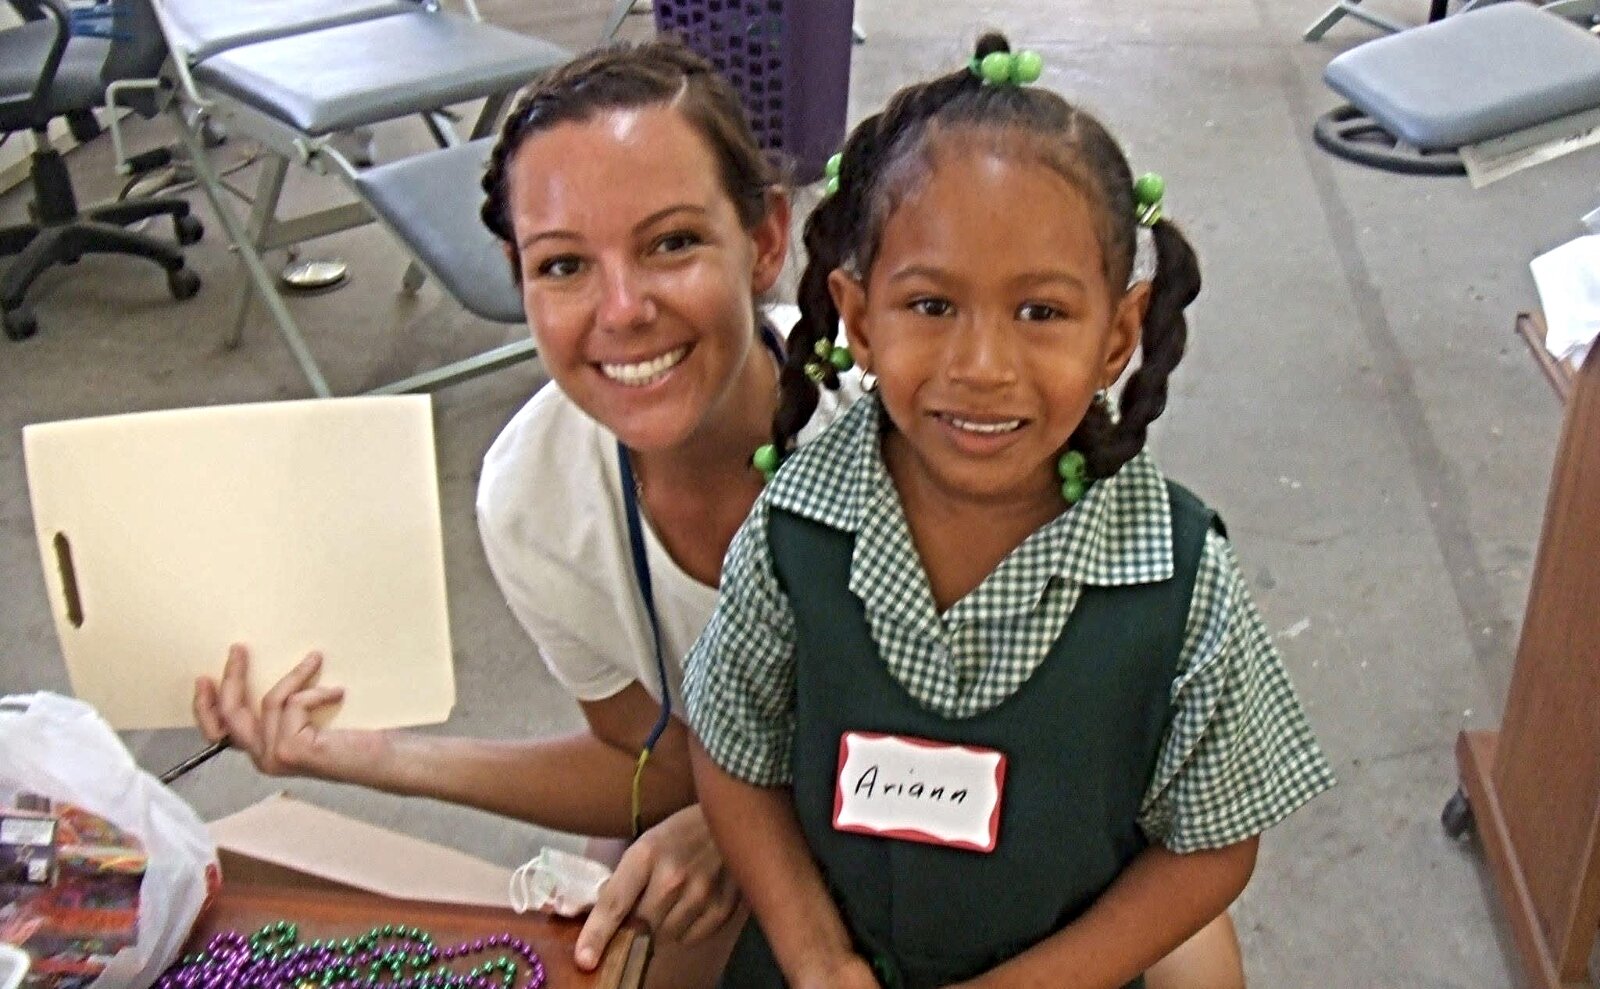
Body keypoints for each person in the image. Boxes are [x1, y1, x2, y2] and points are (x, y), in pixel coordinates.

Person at [191, 38, 1250, 989]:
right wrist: (363, 754)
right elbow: (648, 764)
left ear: (763, 241)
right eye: (564, 264)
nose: (621, 308)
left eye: (669, 244)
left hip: (1032, 840)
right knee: (637, 928)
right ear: (519, 280)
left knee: (1185, 946)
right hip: (791, 838)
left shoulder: (927, 412)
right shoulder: (539, 501)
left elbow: (1183, 814)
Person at [682, 32, 1336, 989]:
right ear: (858, 320)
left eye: (1041, 313)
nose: (983, 368)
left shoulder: (1178, 576)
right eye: (932, 306)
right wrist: (816, 954)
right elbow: (733, 751)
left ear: (1118, 334)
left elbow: (1214, 840)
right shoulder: (795, 530)